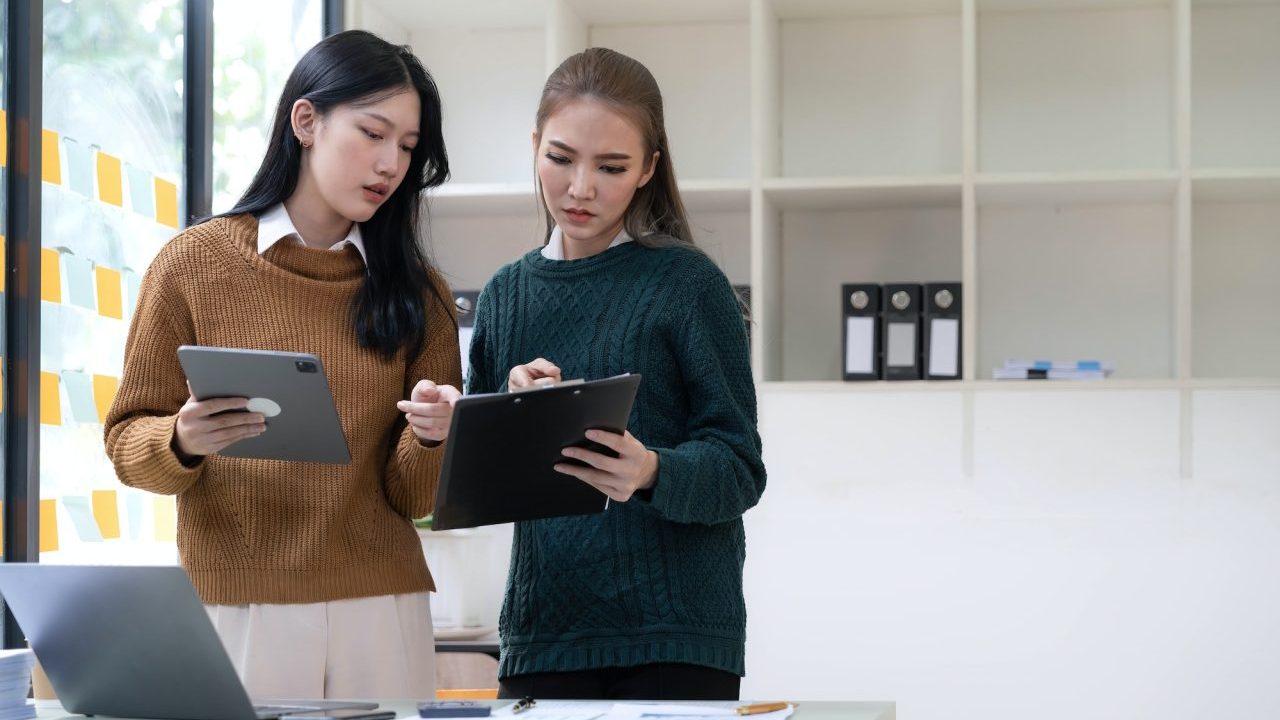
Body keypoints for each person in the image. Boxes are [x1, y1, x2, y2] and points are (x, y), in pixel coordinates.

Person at [103, 30, 462, 699]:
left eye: (408, 149)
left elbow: (415, 497)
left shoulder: (419, 293)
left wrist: (435, 436)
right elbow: (126, 445)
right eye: (373, 133)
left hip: (379, 605)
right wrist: (181, 439)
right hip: (238, 605)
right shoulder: (192, 264)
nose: (391, 164)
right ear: (307, 120)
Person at [465, 47, 767, 700]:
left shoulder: (689, 285)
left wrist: (650, 471)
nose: (580, 188)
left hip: (678, 636)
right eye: (561, 157)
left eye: (611, 167)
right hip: (543, 632)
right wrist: (506, 411)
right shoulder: (505, 295)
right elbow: (479, 487)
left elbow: (740, 468)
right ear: (535, 144)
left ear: (649, 170)